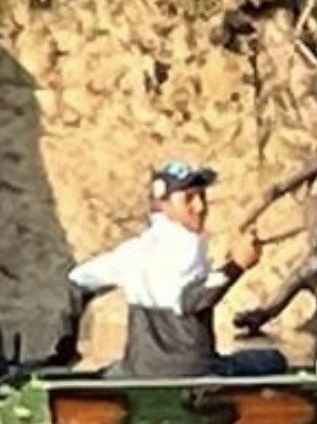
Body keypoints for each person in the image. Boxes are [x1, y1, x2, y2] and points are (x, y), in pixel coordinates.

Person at [48, 159, 289, 378]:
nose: (200, 207)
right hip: (195, 370)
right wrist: (237, 265)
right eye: (188, 198)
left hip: (138, 371)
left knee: (104, 376)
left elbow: (76, 283)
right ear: (162, 204)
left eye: (202, 197)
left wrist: (65, 349)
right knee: (273, 359)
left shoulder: (132, 252)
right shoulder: (187, 245)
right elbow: (192, 300)